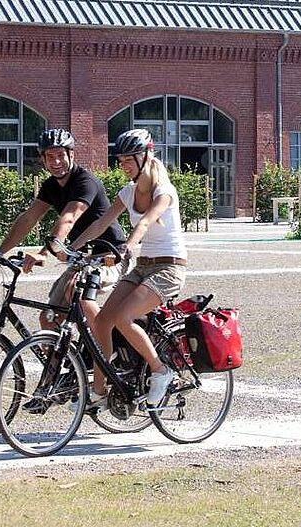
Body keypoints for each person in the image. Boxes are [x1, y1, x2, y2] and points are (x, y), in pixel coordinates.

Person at [69, 128, 187, 408]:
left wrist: (126, 247)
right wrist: (70, 247)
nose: (123, 166)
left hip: (170, 268)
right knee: (101, 322)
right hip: (144, 267)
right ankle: (98, 390)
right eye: (120, 160)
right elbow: (100, 224)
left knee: (123, 317)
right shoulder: (128, 192)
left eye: (128, 160)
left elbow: (146, 222)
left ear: (146, 156)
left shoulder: (164, 191)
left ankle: (161, 371)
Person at [0, 128, 125, 330]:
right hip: (81, 258)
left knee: (76, 293)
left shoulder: (85, 181)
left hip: (109, 255)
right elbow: (29, 218)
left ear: (71, 154)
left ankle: (104, 348)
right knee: (49, 319)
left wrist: (44, 253)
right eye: (50, 157)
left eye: (60, 156)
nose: (56, 162)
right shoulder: (51, 186)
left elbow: (69, 218)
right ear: (43, 159)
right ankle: (68, 359)